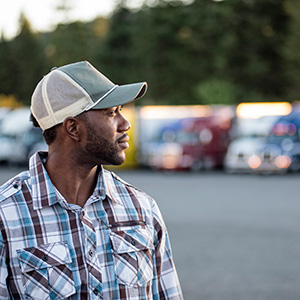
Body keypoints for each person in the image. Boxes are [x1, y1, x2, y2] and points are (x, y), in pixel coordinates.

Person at [0, 61, 184, 299]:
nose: (124, 124)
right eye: (111, 113)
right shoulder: (5, 216)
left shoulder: (142, 208)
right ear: (73, 128)